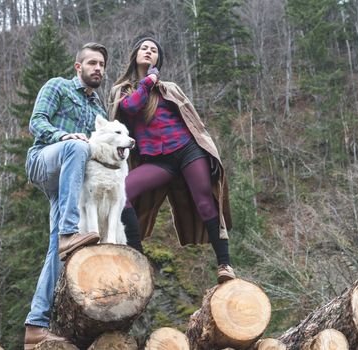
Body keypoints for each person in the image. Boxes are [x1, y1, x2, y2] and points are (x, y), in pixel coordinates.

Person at [108, 34, 236, 284]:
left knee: (205, 201)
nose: (148, 51)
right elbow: (132, 107)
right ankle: (138, 258)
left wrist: (208, 151)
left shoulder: (169, 88)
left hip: (187, 150)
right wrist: (148, 80)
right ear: (135, 54)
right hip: (157, 161)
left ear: (158, 59)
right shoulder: (122, 90)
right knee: (119, 192)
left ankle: (225, 265)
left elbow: (193, 122)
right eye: (144, 48)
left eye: (153, 50)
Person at [23, 42, 108, 349]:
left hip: (69, 184)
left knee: (55, 252)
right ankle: (69, 233)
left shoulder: (100, 109)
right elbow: (37, 122)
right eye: (91, 63)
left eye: (101, 64)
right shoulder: (58, 86)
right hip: (44, 159)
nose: (97, 68)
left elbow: (102, 149)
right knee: (77, 146)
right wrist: (63, 135)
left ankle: (36, 323)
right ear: (78, 67)